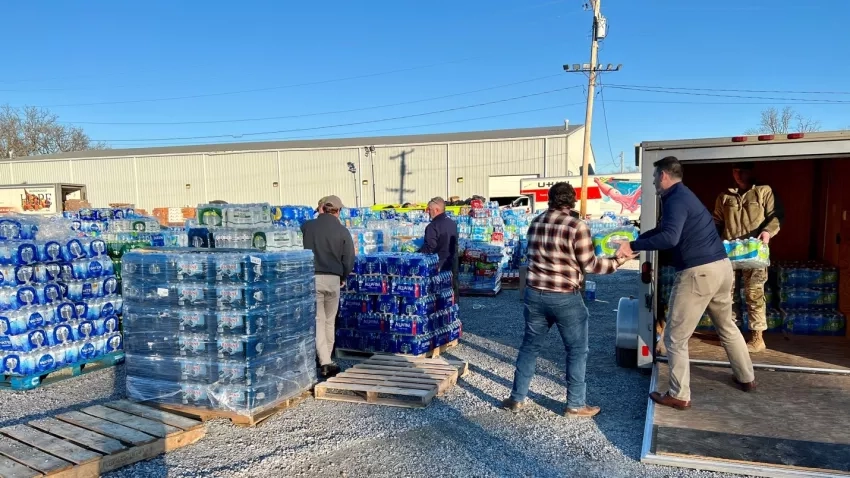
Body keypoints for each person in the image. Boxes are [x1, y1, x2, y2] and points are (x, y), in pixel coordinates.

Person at [616, 156, 756, 411]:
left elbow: (670, 238)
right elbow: (662, 230)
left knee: (675, 337)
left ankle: (679, 394)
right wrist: (635, 244)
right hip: (721, 269)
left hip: (697, 273)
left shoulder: (676, 199)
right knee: (726, 326)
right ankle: (746, 377)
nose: (653, 182)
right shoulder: (684, 196)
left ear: (663, 176)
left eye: (654, 177)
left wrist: (634, 246)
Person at [501, 182, 632, 418]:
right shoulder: (576, 226)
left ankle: (517, 398)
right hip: (564, 297)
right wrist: (618, 261)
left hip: (534, 294)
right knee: (576, 350)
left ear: (550, 199)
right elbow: (591, 265)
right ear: (571, 201)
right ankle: (575, 404)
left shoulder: (536, 222)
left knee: (530, 347)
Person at [712, 162, 783, 353]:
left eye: (743, 171)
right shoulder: (725, 196)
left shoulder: (763, 191)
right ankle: (731, 335)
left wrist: (768, 232)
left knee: (754, 293)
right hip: (730, 253)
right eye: (736, 171)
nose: (739, 175)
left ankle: (757, 338)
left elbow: (776, 216)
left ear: (751, 171)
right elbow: (717, 222)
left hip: (754, 252)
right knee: (727, 295)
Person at [301, 195, 355, 378]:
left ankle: (323, 360)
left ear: (321, 208)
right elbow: (349, 258)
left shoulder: (307, 226)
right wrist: (344, 276)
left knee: (318, 320)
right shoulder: (342, 231)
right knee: (330, 320)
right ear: (338, 211)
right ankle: (327, 359)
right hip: (334, 279)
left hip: (312, 278)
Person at [419, 197, 459, 296]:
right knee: (451, 292)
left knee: (438, 295)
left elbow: (429, 248)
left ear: (436, 210)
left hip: (438, 265)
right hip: (452, 263)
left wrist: (416, 254)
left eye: (429, 209)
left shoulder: (432, 226)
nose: (428, 212)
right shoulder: (452, 223)